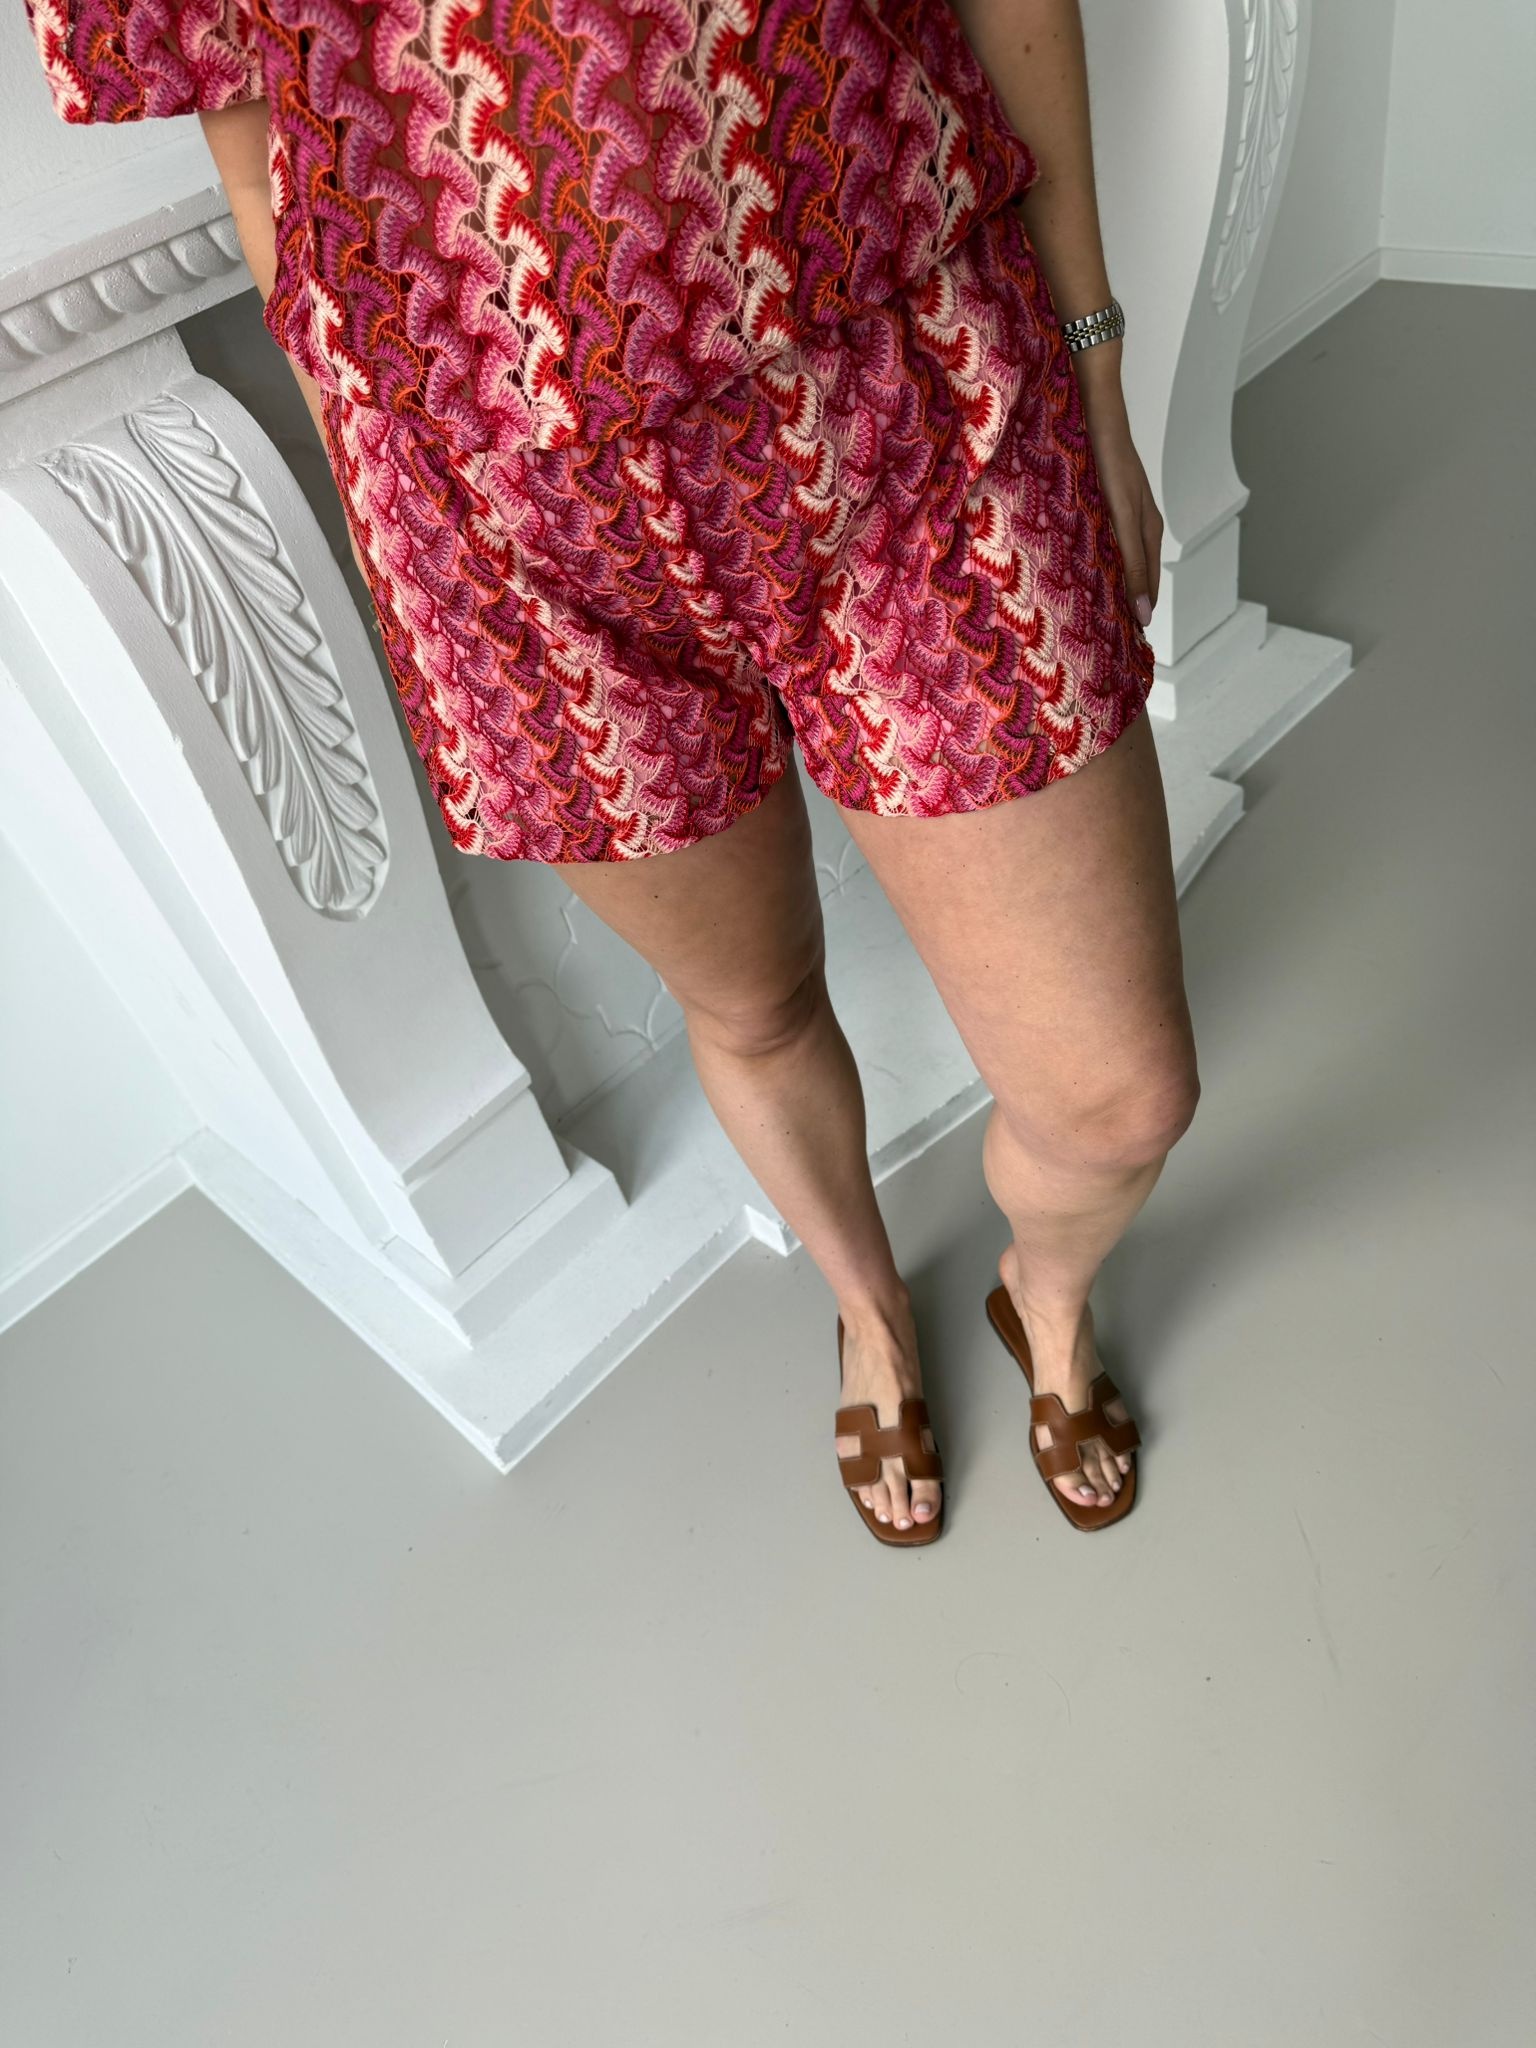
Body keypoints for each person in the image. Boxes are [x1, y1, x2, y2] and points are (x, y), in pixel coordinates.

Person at [23, 0, 1199, 1543]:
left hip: (914, 375)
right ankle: (868, 1311)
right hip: (500, 515)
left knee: (1116, 1097)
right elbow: (257, 159)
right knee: (753, 1001)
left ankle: (1046, 1292)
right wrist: (397, 532)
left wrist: (1094, 360)